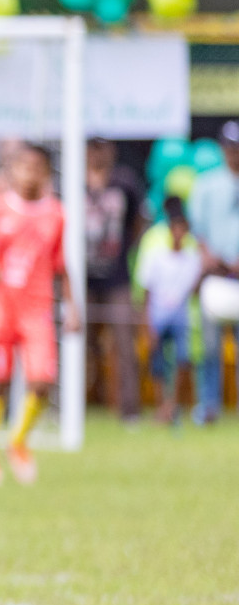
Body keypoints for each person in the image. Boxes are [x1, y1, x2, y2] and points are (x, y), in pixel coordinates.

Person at [0, 144, 82, 486]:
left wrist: (73, 309)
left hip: (37, 308)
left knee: (42, 381)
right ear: (12, 169)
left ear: (45, 173)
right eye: (23, 166)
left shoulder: (56, 214)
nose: (29, 173)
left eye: (37, 167)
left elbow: (62, 266)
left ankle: (18, 441)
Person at [83, 137, 145, 421]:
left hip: (117, 276)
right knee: (80, 344)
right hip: (82, 277)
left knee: (123, 343)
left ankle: (129, 411)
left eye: (102, 147)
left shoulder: (125, 181)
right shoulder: (73, 178)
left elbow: (137, 223)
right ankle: (77, 407)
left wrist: (124, 252)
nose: (97, 153)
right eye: (92, 147)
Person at [187, 120, 239, 424]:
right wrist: (211, 258)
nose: (234, 153)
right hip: (215, 276)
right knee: (208, 348)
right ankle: (208, 407)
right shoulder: (207, 184)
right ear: (222, 148)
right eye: (230, 147)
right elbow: (197, 231)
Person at [138, 196, 204, 424]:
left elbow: (193, 289)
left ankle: (171, 405)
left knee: (182, 360)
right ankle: (160, 407)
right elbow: (146, 290)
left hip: (181, 316)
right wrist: (147, 322)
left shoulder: (192, 258)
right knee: (156, 362)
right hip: (158, 315)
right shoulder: (156, 255)